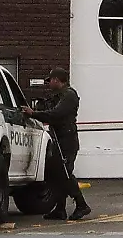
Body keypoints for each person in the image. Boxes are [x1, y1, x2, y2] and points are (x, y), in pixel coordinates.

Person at [25, 68, 90, 222]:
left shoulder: (69, 95)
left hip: (67, 141)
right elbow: (50, 110)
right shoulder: (59, 96)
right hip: (59, 139)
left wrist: (34, 114)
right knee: (57, 174)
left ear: (57, 80)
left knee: (65, 174)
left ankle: (82, 204)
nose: (49, 84)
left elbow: (56, 114)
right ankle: (60, 209)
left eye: (51, 80)